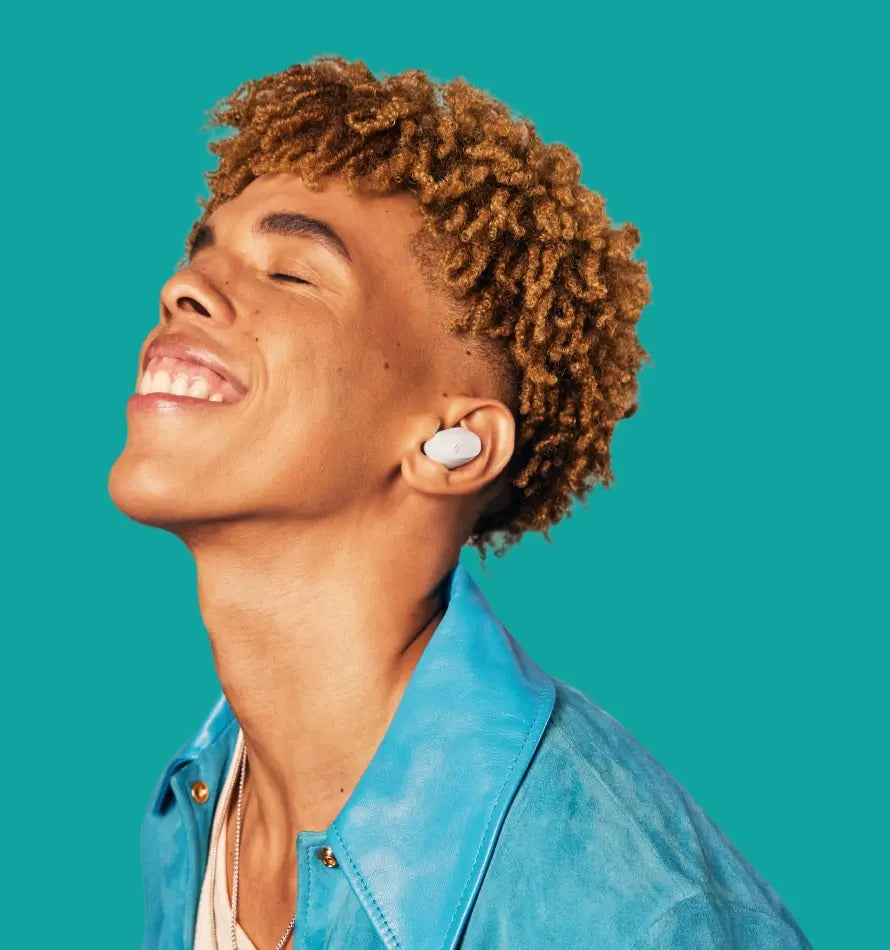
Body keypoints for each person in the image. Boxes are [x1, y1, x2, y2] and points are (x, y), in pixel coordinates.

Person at [108, 55, 812, 950]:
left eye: (291, 273)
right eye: (201, 252)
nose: (183, 288)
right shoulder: (201, 799)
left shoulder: (627, 918)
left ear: (456, 443)